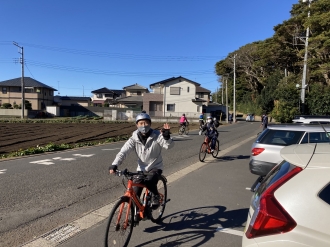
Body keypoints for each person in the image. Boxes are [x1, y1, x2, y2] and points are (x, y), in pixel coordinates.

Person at [109, 113, 174, 212]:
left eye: (146, 123)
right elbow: (123, 152)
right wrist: (115, 164)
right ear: (137, 125)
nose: (144, 125)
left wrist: (166, 137)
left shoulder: (157, 135)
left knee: (150, 179)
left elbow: (168, 146)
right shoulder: (134, 138)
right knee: (135, 192)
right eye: (141, 123)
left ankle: (155, 195)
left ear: (150, 124)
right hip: (141, 168)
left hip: (155, 166)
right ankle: (136, 214)